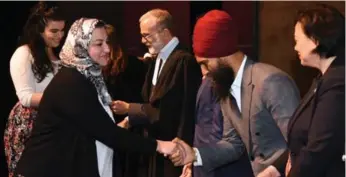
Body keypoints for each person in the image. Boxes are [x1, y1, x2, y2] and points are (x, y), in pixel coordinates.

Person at [13, 18, 178, 177]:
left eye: (107, 42)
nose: (107, 49)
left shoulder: (88, 76)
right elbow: (108, 133)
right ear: (80, 46)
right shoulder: (71, 82)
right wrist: (160, 146)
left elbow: (95, 127)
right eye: (99, 44)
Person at [169, 9, 300, 177]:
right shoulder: (225, 84)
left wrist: (274, 169)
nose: (204, 73)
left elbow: (300, 143)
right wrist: (195, 155)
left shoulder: (271, 81)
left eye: (205, 63)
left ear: (222, 55)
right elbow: (233, 143)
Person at [112, 9, 202, 177]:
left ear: (165, 32)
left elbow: (177, 111)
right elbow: (151, 103)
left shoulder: (184, 61)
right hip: (156, 148)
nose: (143, 41)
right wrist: (131, 119)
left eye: (147, 35)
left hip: (175, 150)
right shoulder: (157, 59)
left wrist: (129, 109)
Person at [3, 2, 65, 176]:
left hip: (53, 123)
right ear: (38, 30)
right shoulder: (24, 53)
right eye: (54, 31)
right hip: (29, 124)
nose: (60, 35)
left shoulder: (60, 55)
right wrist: (62, 98)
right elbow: (25, 97)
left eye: (62, 30)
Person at [286, 4, 345, 177]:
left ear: (315, 40)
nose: (295, 47)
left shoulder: (338, 83)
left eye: (297, 40)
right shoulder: (323, 78)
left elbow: (319, 148)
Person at [185, 67, 254, 177]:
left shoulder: (215, 82)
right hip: (205, 159)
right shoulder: (206, 80)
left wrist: (199, 158)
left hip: (218, 164)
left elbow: (218, 131)